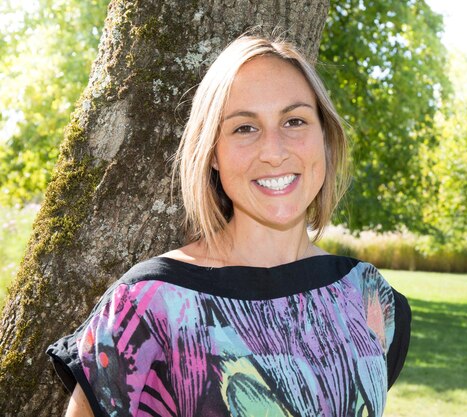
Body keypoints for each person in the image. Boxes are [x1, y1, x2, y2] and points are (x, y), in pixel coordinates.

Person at [47, 35, 411, 417]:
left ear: (324, 136)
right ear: (213, 153)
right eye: (244, 128)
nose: (274, 151)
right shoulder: (146, 308)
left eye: (295, 121)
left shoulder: (369, 297)